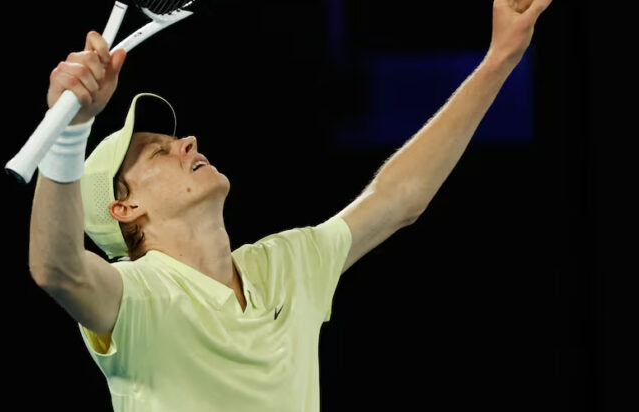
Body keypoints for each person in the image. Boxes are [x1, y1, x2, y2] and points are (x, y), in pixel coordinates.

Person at [28, 1, 552, 410]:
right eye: (158, 152)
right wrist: (72, 132)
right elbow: (57, 269)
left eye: (174, 140)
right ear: (126, 209)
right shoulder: (135, 299)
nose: (185, 142)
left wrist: (500, 57)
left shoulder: (284, 265)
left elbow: (398, 198)